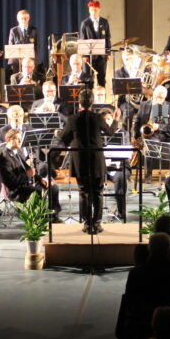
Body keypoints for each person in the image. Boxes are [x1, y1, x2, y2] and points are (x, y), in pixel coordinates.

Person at [58, 88, 115, 233]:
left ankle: (86, 223)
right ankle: (97, 223)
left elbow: (64, 138)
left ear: (79, 102)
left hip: (80, 160)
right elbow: (109, 132)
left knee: (83, 192)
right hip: (96, 159)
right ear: (92, 102)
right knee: (98, 192)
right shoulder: (97, 118)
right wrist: (115, 120)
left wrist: (59, 134)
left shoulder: (72, 119)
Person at [0, 128, 61, 213]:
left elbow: (28, 170)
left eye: (20, 139)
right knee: (40, 192)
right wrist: (27, 175)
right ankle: (39, 216)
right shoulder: (4, 156)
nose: (20, 141)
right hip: (16, 190)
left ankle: (53, 214)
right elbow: (10, 181)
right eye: (17, 139)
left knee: (53, 187)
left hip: (26, 184)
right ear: (8, 140)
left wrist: (41, 179)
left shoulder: (17, 153)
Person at [79, 0, 111, 87]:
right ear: (89, 10)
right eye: (92, 10)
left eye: (95, 10)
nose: (94, 12)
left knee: (102, 79)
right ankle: (88, 95)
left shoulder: (104, 22)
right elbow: (83, 39)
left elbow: (107, 38)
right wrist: (85, 55)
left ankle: (102, 94)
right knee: (88, 80)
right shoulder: (85, 23)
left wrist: (108, 52)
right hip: (89, 57)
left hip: (101, 56)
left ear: (99, 10)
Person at [7, 8, 41, 75]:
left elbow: (37, 46)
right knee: (16, 77)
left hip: (30, 60)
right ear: (18, 19)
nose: (24, 20)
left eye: (26, 18)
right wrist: (20, 58)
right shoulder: (13, 31)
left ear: (29, 18)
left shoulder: (34, 30)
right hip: (17, 60)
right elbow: (11, 46)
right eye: (22, 18)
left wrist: (28, 59)